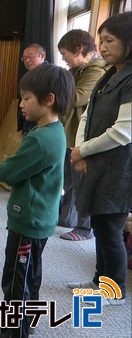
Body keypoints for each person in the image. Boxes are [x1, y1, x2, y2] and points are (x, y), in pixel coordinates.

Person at [0, 64, 75, 338]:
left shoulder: (40, 140)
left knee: (17, 281)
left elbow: (5, 172)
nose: (21, 104)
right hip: (39, 219)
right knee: (31, 275)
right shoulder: (56, 131)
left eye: (27, 98)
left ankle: (15, 331)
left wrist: (8, 164)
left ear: (49, 100)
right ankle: (26, 319)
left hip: (28, 221)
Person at [67, 12, 132, 306]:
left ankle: (114, 290)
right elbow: (87, 115)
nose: (103, 46)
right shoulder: (110, 72)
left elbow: (124, 132)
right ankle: (98, 280)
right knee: (98, 225)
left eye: (110, 40)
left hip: (118, 168)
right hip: (97, 162)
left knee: (109, 230)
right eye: (101, 40)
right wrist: (79, 148)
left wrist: (84, 150)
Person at [57, 29, 109, 241]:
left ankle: (84, 229)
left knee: (82, 184)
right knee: (69, 181)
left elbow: (76, 98)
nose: (63, 59)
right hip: (72, 134)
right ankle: (67, 219)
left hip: (84, 137)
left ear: (79, 49)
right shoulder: (78, 70)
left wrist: (56, 94)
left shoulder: (96, 70)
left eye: (64, 54)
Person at [17, 44, 48, 135]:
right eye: (24, 58)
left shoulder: (49, 75)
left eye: (30, 57)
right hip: (27, 121)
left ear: (42, 56)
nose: (27, 60)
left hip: (38, 124)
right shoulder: (30, 75)